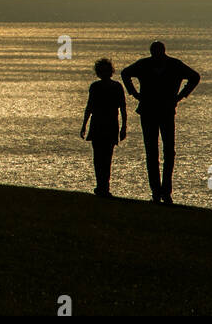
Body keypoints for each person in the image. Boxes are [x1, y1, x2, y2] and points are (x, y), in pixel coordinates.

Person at [121, 41, 200, 204]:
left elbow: (195, 77)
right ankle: (157, 192)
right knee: (152, 152)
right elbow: (125, 73)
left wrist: (181, 95)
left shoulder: (173, 65)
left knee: (168, 152)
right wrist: (134, 93)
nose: (156, 54)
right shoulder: (145, 64)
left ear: (162, 51)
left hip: (165, 111)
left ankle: (165, 191)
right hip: (149, 111)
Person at [81, 58, 127, 198]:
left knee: (105, 157)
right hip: (99, 123)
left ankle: (103, 186)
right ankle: (101, 185)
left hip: (109, 124)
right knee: (100, 157)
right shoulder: (96, 87)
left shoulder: (116, 87)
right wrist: (84, 125)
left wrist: (124, 126)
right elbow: (89, 107)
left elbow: (123, 108)